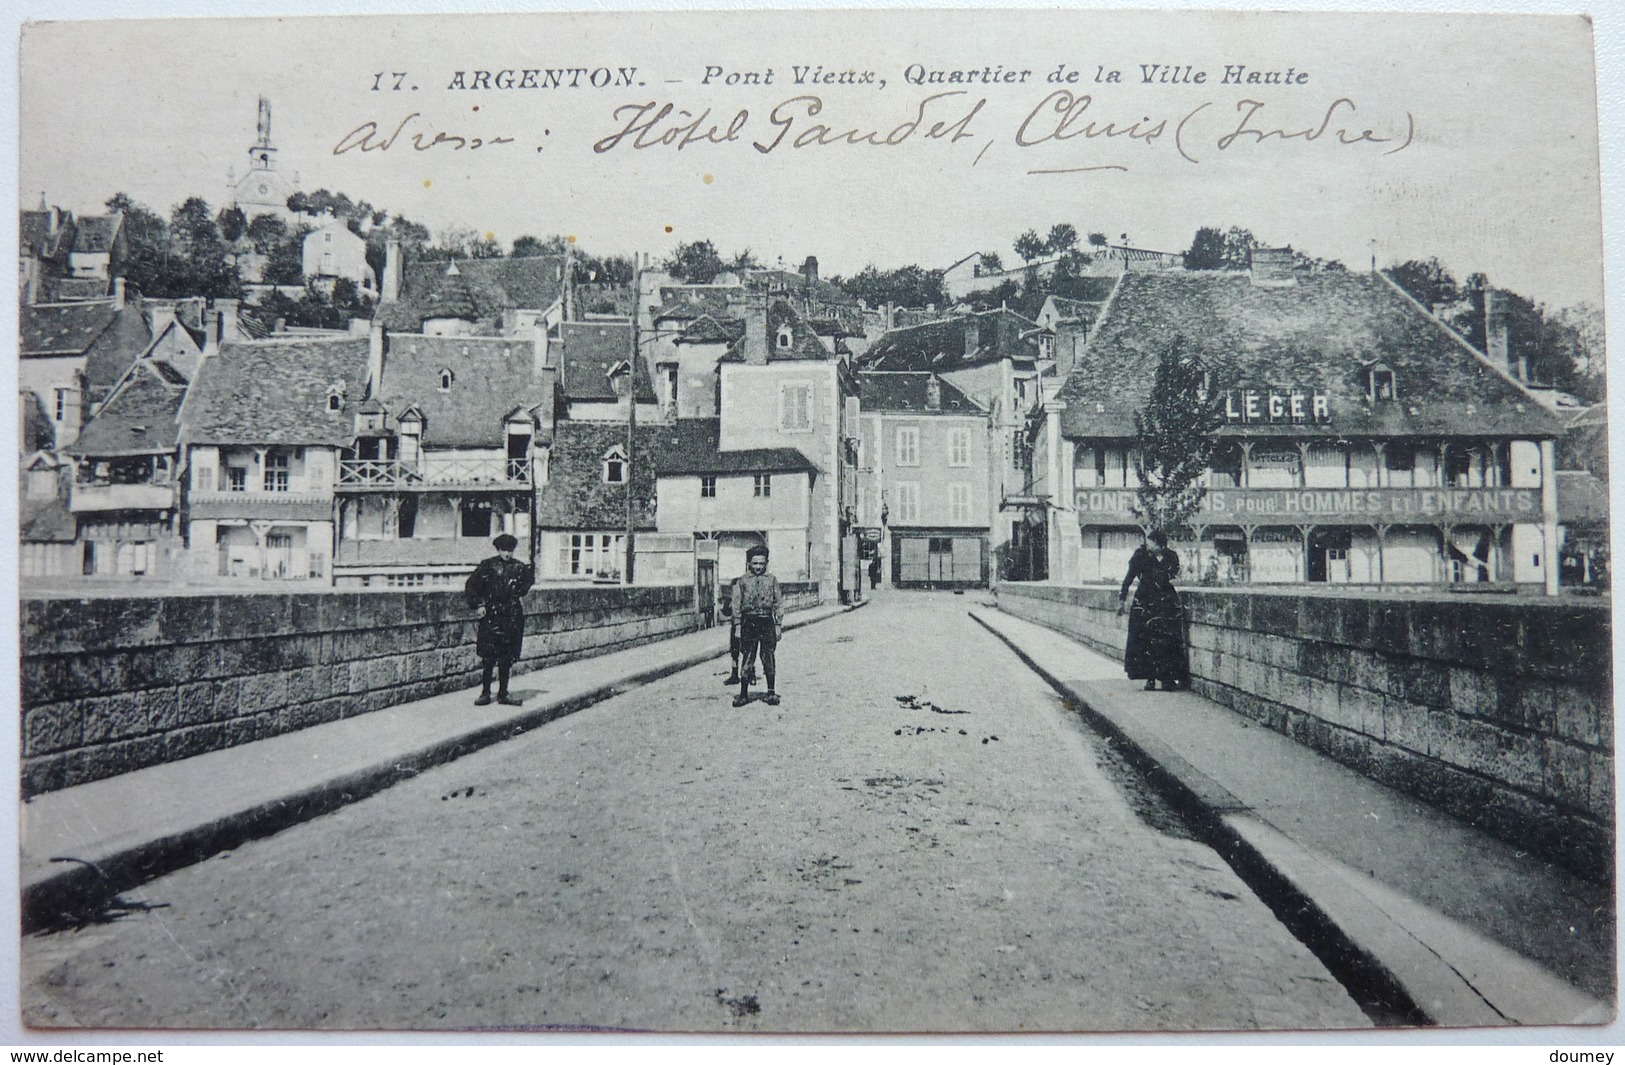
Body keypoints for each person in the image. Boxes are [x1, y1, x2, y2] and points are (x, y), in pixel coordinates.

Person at [463, 533, 534, 706]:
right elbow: (471, 586)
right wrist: (479, 604)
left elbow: (527, 583)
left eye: (510, 550)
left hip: (511, 615)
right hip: (492, 615)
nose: (507, 554)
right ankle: (485, 693)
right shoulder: (487, 566)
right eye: (504, 550)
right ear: (498, 549)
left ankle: (503, 693)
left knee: (506, 656)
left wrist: (518, 590)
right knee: (488, 656)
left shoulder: (519, 567)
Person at [1116, 529, 1188, 691]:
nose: (1148, 545)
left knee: (1167, 639)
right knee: (1146, 639)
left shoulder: (1171, 556)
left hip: (1165, 601)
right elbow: (1128, 578)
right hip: (1145, 601)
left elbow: (1172, 574)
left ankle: (1167, 678)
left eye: (1151, 543)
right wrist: (1122, 600)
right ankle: (1150, 678)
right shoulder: (1140, 556)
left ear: (1160, 545)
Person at [731, 544, 783, 707]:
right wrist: (738, 626)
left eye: (761, 563)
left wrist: (778, 625)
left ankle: (771, 692)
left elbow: (778, 603)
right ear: (749, 564)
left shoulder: (772, 580)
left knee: (768, 656)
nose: (758, 567)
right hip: (748, 622)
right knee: (748, 656)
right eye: (755, 563)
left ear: (766, 563)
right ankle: (744, 694)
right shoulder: (742, 581)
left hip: (767, 621)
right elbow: (736, 604)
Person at [719, 573, 744, 686]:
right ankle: (734, 674)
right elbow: (726, 612)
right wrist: (724, 606)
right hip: (735, 626)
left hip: (747, 626)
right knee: (734, 651)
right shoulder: (730, 599)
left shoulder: (746, 598)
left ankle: (750, 674)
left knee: (747, 651)